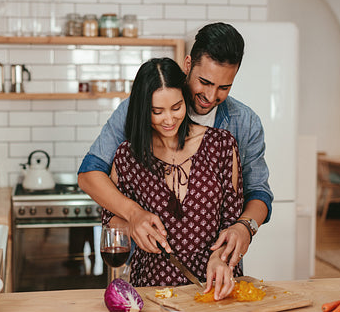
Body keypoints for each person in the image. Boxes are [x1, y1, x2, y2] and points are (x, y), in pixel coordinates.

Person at [78, 22, 272, 289]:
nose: (210, 96)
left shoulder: (239, 127)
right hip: (151, 282)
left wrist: (244, 228)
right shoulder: (136, 111)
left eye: (224, 87)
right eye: (204, 82)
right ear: (188, 63)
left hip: (214, 281)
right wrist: (133, 215)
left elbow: (258, 193)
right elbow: (90, 175)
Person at [103, 57, 243, 300]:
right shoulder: (127, 155)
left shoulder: (221, 145)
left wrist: (219, 257)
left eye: (176, 107)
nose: (168, 120)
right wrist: (133, 223)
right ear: (142, 109)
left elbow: (232, 221)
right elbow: (110, 222)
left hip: (215, 288)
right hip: (152, 291)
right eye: (157, 111)